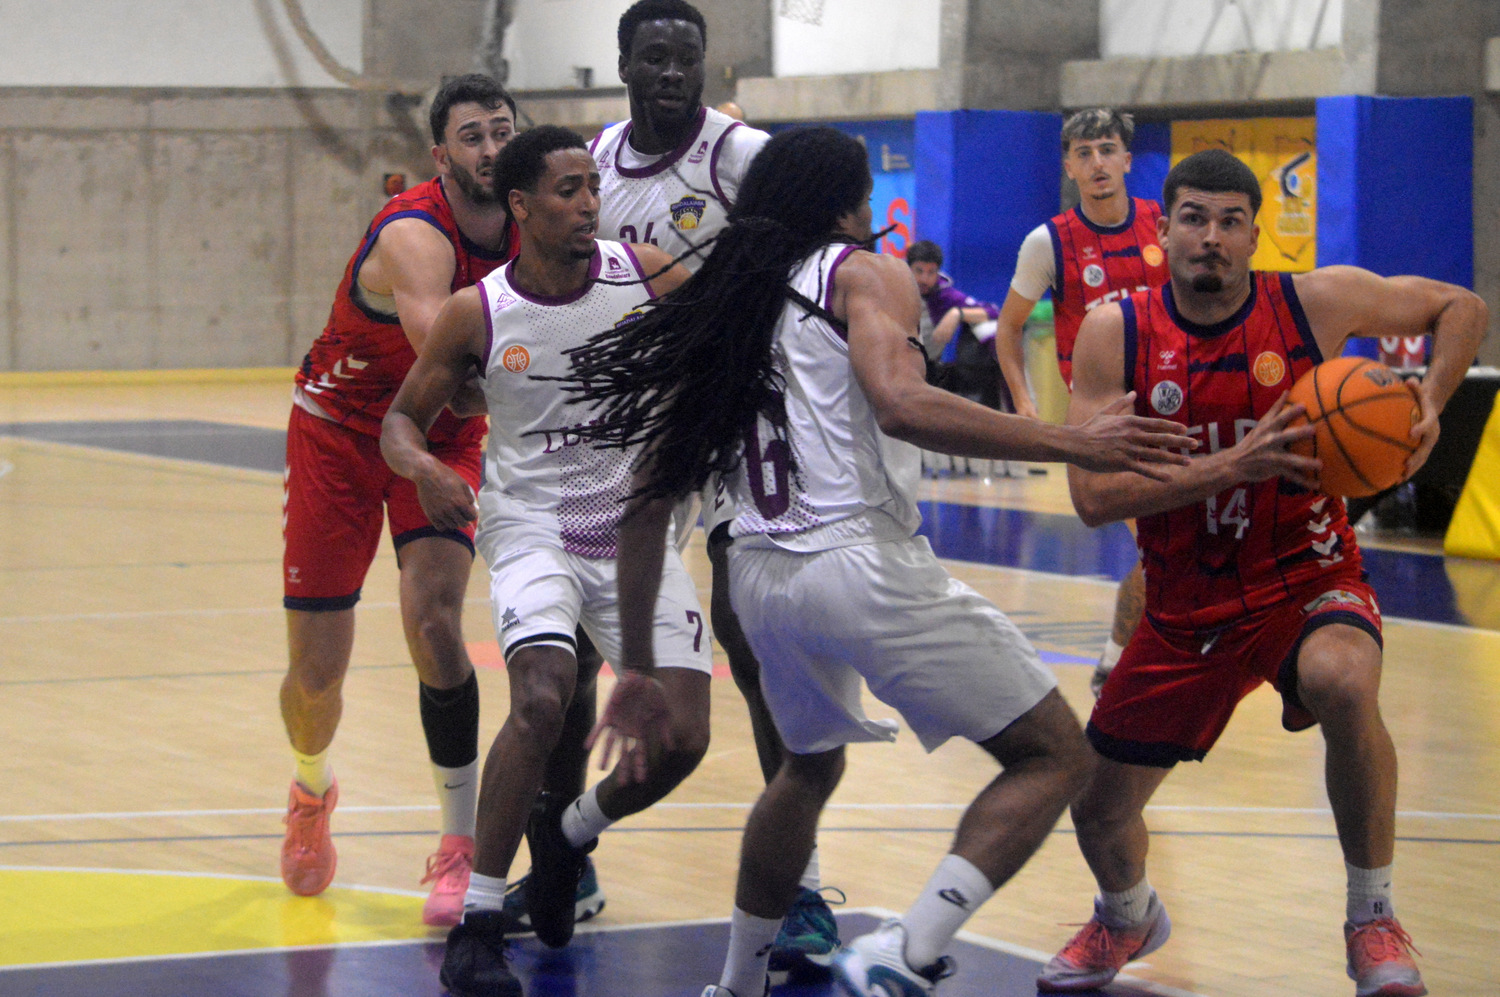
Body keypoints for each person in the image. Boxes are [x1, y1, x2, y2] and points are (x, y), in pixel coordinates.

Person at [561, 126, 1199, 997]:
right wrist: (1070, 441)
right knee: (1057, 754)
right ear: (846, 204)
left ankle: (736, 987)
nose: (870, 214)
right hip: (856, 560)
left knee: (806, 769)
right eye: (864, 199)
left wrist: (635, 662)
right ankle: (909, 948)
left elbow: (640, 507)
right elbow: (900, 404)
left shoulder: (729, 305)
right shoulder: (863, 271)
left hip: (755, 580)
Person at [1038, 148, 1487, 997]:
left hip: (1304, 574)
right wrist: (1227, 468)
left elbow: (1462, 305)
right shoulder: (1117, 331)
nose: (1212, 236)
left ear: (1255, 234)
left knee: (1344, 679)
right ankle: (1128, 911)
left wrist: (1429, 400)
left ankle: (1372, 918)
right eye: (1195, 218)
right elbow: (1093, 498)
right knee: (1098, 809)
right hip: (1183, 605)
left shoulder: (1313, 302)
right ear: (1162, 229)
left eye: (1231, 221)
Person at [381, 125, 715, 997]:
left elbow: (718, 344)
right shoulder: (479, 311)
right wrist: (424, 470)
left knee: (685, 737)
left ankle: (566, 832)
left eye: (591, 189)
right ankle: (479, 922)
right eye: (567, 191)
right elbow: (400, 423)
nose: (587, 205)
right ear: (522, 206)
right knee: (538, 698)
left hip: (636, 533)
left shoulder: (642, 274)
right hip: (531, 527)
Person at [562, 0, 843, 978]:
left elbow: (820, 245)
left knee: (749, 631)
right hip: (631, 426)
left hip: (731, 419)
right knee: (582, 640)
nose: (672, 72)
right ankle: (572, 849)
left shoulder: (740, 154)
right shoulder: (591, 163)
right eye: (655, 56)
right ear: (627, 64)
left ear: (703, 65)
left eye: (686, 57)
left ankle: (798, 882)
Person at [278, 73, 525, 927]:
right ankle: (312, 787)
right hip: (344, 431)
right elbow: (444, 369)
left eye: (501, 131)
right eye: (472, 136)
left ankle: (458, 849)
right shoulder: (416, 232)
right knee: (317, 678)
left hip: (442, 438)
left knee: (434, 626)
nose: (490, 148)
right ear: (441, 154)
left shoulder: (540, 219)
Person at [994, 108, 1171, 697]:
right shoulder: (1048, 242)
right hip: (1104, 424)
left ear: (1127, 159)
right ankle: (1120, 664)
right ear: (1069, 166)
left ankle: (1122, 660)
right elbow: (1008, 328)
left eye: (1107, 149)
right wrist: (1025, 403)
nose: (1097, 162)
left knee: (1175, 547)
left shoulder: (1164, 227)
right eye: (1085, 152)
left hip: (1176, 406)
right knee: (1163, 541)